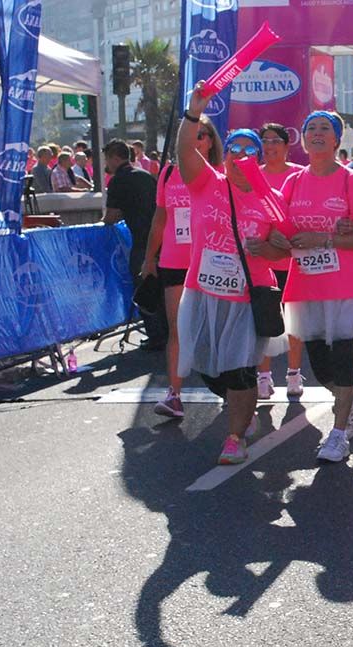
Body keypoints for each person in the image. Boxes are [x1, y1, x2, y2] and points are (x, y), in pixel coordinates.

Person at [177, 83, 286, 465]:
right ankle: (243, 409)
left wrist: (268, 249)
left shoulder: (267, 197)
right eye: (234, 148)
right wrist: (194, 111)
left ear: (258, 157)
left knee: (240, 371)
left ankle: (235, 437)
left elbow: (285, 255)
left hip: (247, 297)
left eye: (248, 149)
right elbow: (184, 151)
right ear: (225, 157)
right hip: (203, 293)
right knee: (208, 368)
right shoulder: (206, 183)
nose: (239, 155)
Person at [273, 110, 353, 463]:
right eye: (310, 128)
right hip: (306, 284)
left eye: (324, 129)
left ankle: (337, 435)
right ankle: (347, 403)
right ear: (302, 139)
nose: (316, 134)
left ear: (336, 140)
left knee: (344, 358)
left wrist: (325, 238)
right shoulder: (293, 182)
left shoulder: (351, 181)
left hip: (345, 283)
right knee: (320, 366)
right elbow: (280, 229)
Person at [141, 114, 222, 419]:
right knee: (178, 329)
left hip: (213, 262)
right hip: (174, 262)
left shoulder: (221, 174)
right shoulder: (168, 174)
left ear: (212, 141)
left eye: (203, 135)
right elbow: (160, 219)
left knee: (214, 330)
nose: (197, 139)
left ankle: (231, 390)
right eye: (191, 134)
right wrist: (149, 259)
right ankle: (175, 395)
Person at [256, 122, 306, 399]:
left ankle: (294, 373)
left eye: (276, 140)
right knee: (264, 322)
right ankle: (264, 376)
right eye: (265, 141)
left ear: (288, 145)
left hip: (294, 261)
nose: (270, 146)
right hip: (262, 264)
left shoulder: (299, 176)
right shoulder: (251, 176)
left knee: (294, 322)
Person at [101, 139, 167, 350]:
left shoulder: (118, 181)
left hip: (141, 241)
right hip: (163, 240)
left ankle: (156, 337)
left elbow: (111, 216)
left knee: (145, 290)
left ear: (114, 157)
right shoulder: (146, 176)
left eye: (107, 159)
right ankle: (168, 333)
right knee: (164, 290)